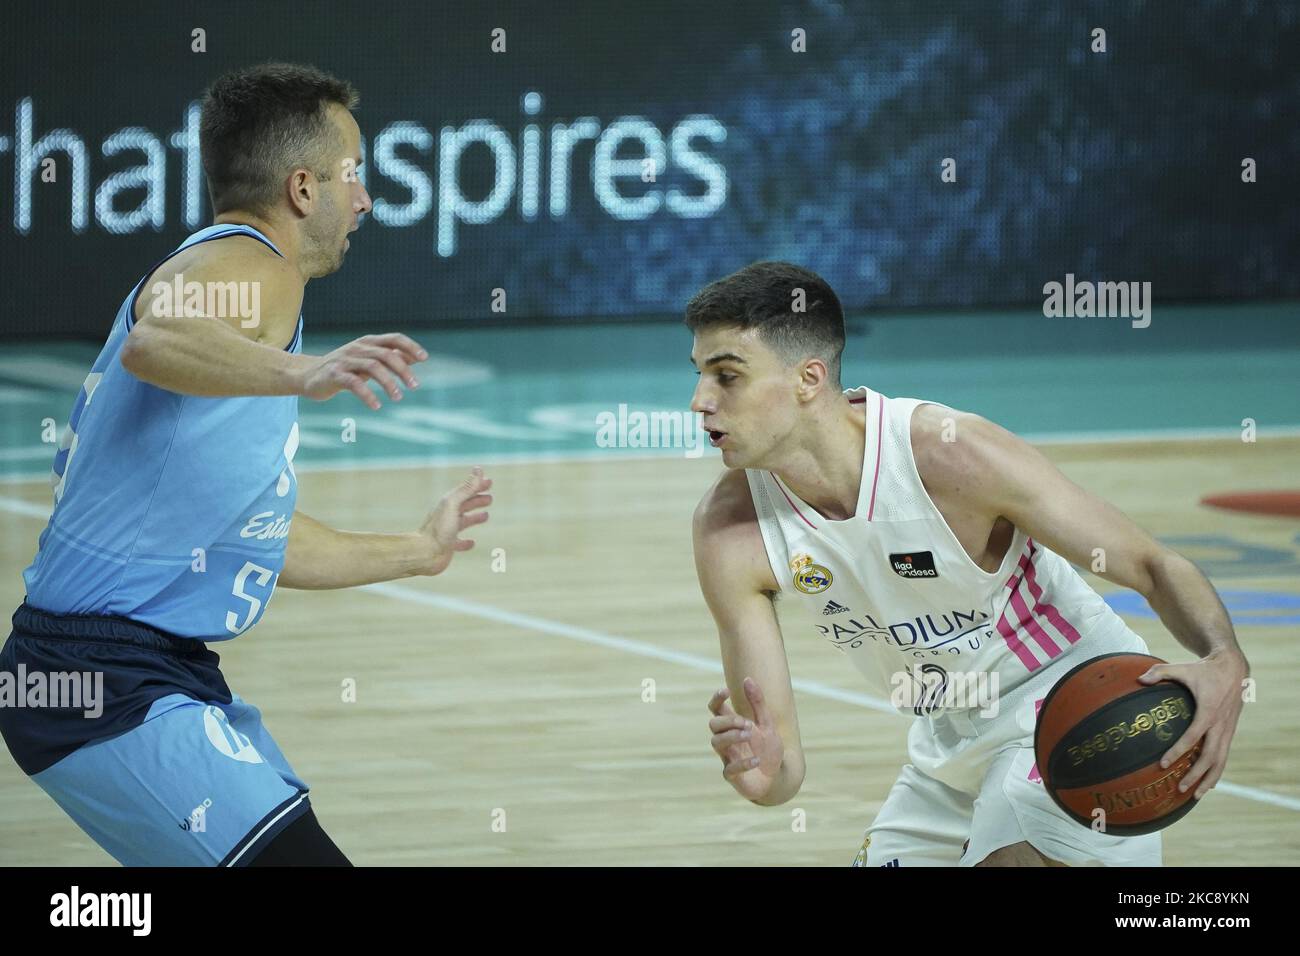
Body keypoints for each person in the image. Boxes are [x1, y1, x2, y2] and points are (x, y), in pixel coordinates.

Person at [0, 63, 492, 866]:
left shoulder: (246, 297)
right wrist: (309, 372)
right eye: (352, 174)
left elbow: (250, 536)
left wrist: (418, 551)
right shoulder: (252, 267)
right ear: (303, 188)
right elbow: (156, 337)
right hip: (96, 680)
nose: (364, 199)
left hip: (128, 674)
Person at [687, 261, 1248, 866]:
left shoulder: (949, 455)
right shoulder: (728, 531)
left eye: (727, 376)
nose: (700, 401)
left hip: (1071, 710)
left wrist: (1224, 660)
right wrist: (762, 772)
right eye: (698, 376)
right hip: (945, 744)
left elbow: (1151, 564)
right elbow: (782, 768)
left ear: (809, 378)